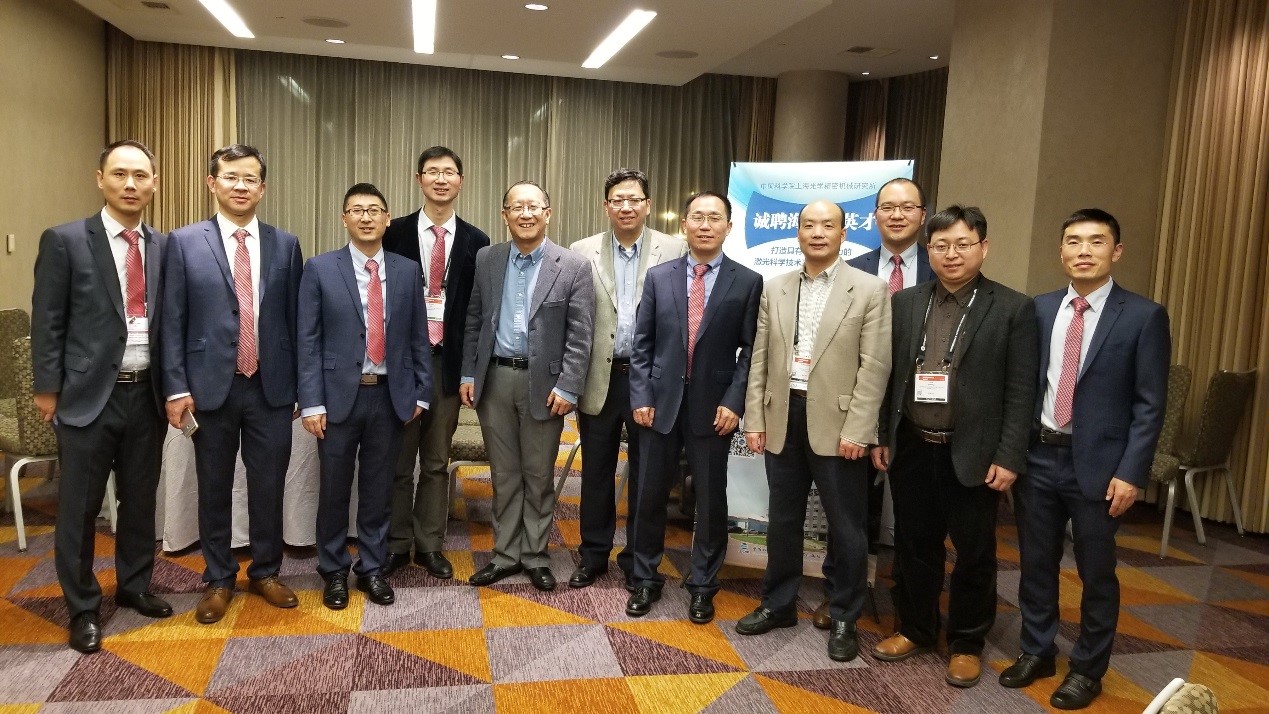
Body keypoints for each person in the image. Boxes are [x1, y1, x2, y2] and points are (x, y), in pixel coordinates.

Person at [1000, 209, 1169, 710]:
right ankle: (1037, 650)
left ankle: (1088, 669)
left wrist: (1131, 472)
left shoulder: (1143, 316)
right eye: (1073, 241)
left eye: (1097, 241)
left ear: (1116, 251)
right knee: (1036, 563)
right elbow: (1023, 387)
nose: (1084, 251)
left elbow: (1150, 405)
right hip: (1039, 456)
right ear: (1061, 252)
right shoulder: (1038, 309)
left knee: (1096, 572)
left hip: (1100, 467)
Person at [870, 205, 1037, 688]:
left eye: (963, 244)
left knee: (974, 553)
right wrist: (883, 435)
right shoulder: (905, 303)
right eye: (941, 245)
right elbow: (890, 378)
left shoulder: (1012, 308)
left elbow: (1020, 390)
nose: (951, 254)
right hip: (913, 446)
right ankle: (916, 628)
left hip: (975, 453)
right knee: (914, 545)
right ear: (928, 250)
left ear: (984, 247)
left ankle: (966, 642)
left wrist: (1009, 456)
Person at [31, 140, 173, 653]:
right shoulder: (66, 240)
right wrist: (47, 390)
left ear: (154, 183)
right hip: (87, 396)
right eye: (119, 174)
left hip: (146, 395)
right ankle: (83, 606)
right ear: (100, 179)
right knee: (80, 508)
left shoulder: (164, 247)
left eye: (140, 175)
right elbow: (48, 320)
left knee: (139, 501)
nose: (130, 184)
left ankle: (134, 586)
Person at [737, 200, 891, 662]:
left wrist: (859, 430)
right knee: (783, 519)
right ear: (798, 232)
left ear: (844, 234)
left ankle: (844, 615)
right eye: (809, 224)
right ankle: (778, 603)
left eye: (828, 225)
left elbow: (875, 367)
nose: (818, 232)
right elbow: (760, 358)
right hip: (784, 416)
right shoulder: (776, 287)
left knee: (847, 525)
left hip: (840, 425)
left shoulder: (869, 289)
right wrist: (755, 418)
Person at [161, 144, 303, 624]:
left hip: (270, 385)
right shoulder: (183, 242)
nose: (241, 186)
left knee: (269, 485)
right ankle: (219, 577)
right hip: (208, 388)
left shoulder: (286, 244)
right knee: (214, 487)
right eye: (231, 177)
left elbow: (296, 322)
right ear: (212, 182)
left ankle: (266, 571)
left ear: (262, 188)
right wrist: (176, 387)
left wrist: (302, 386)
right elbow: (172, 321)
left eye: (250, 179)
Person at [626, 191, 762, 623]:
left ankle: (703, 585)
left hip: (714, 408)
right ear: (684, 224)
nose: (705, 225)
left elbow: (751, 351)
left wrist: (734, 400)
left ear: (729, 227)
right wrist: (641, 395)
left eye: (714, 218)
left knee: (710, 500)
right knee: (648, 496)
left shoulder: (748, 281)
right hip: (658, 406)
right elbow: (642, 344)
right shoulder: (658, 276)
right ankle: (645, 577)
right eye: (697, 217)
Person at [808, 177, 935, 629]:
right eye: (887, 207)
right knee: (849, 509)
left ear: (922, 215)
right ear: (874, 216)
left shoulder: (942, 267)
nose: (897, 215)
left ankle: (910, 604)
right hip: (853, 406)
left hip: (920, 408)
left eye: (907, 207)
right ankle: (841, 594)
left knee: (918, 514)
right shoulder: (847, 267)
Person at [298, 183, 432, 610]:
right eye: (357, 210)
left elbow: (418, 337)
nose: (366, 217)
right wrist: (311, 401)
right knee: (334, 490)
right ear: (344, 219)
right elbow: (308, 340)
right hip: (338, 399)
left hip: (389, 398)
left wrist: (421, 394)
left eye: (374, 210)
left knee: (379, 488)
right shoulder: (320, 268)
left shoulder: (407, 270)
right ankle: (334, 570)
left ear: (387, 219)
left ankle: (372, 567)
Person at [460, 180, 594, 592]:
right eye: (516, 207)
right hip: (495, 379)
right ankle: (505, 554)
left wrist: (569, 386)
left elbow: (581, 334)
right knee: (503, 474)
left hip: (546, 385)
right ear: (505, 215)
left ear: (547, 213)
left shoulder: (572, 265)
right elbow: (475, 319)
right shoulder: (487, 258)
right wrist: (468, 373)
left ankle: (535, 555)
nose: (525, 214)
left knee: (538, 475)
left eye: (533, 206)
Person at [568, 168, 686, 590]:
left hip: (651, 380)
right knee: (596, 472)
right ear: (606, 206)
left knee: (648, 475)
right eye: (618, 199)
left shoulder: (676, 250)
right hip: (601, 378)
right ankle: (593, 554)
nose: (626, 206)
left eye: (634, 199)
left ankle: (638, 560)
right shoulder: (581, 251)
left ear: (648, 205)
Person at [382, 146, 491, 580]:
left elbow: (477, 313)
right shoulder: (393, 232)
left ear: (461, 181)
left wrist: (469, 370)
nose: (441, 179)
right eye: (432, 171)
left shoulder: (478, 241)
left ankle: (429, 544)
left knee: (435, 461)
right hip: (402, 364)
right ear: (419, 179)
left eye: (449, 172)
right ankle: (396, 543)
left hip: (447, 365)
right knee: (397, 462)